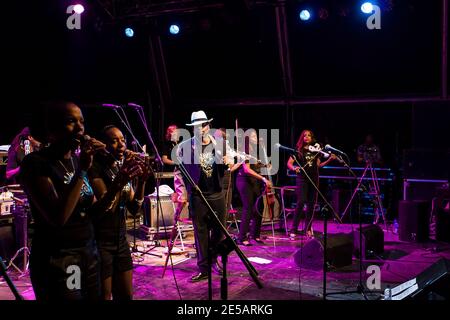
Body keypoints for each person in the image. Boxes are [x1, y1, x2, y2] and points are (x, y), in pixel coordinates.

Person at [20, 101, 107, 300]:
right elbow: (58, 217)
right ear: (53, 129)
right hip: (62, 260)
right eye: (71, 121)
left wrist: (121, 181)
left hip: (89, 253)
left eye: (81, 122)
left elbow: (94, 211)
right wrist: (83, 170)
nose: (80, 128)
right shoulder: (36, 163)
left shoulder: (77, 161)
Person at [89, 125, 150, 300]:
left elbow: (134, 208)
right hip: (101, 243)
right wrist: (121, 179)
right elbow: (106, 208)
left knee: (126, 295)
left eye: (122, 140)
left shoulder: (119, 167)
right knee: (104, 296)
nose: (121, 144)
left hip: (121, 241)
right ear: (103, 145)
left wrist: (142, 181)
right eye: (114, 141)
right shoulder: (96, 168)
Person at [176, 110, 229, 282]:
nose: (202, 129)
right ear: (193, 129)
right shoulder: (185, 147)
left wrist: (230, 162)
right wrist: (181, 192)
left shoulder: (219, 144)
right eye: (197, 126)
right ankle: (204, 268)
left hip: (217, 194)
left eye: (204, 125)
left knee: (219, 231)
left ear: (208, 126)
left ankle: (213, 259)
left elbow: (232, 162)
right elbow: (179, 172)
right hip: (198, 196)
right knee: (201, 233)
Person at [286, 130, 336, 239]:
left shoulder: (316, 151)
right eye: (305, 135)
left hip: (314, 178)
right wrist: (295, 168)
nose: (307, 137)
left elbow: (318, 165)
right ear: (302, 137)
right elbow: (289, 163)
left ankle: (308, 228)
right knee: (301, 201)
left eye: (309, 135)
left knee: (311, 204)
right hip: (302, 179)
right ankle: (293, 229)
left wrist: (329, 160)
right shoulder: (298, 150)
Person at [235, 129, 271, 246]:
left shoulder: (256, 151)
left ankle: (255, 235)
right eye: (253, 136)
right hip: (245, 181)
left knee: (259, 208)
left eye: (256, 136)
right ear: (248, 138)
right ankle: (242, 237)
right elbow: (246, 169)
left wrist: (265, 164)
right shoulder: (243, 150)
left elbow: (257, 164)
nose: (256, 138)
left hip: (255, 182)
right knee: (248, 208)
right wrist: (263, 178)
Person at [162, 124, 188, 220]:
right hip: (171, 173)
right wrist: (175, 162)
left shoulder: (180, 144)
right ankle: (175, 216)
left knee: (183, 198)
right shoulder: (167, 145)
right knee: (178, 197)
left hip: (181, 172)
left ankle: (179, 217)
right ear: (169, 134)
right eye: (174, 132)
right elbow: (164, 159)